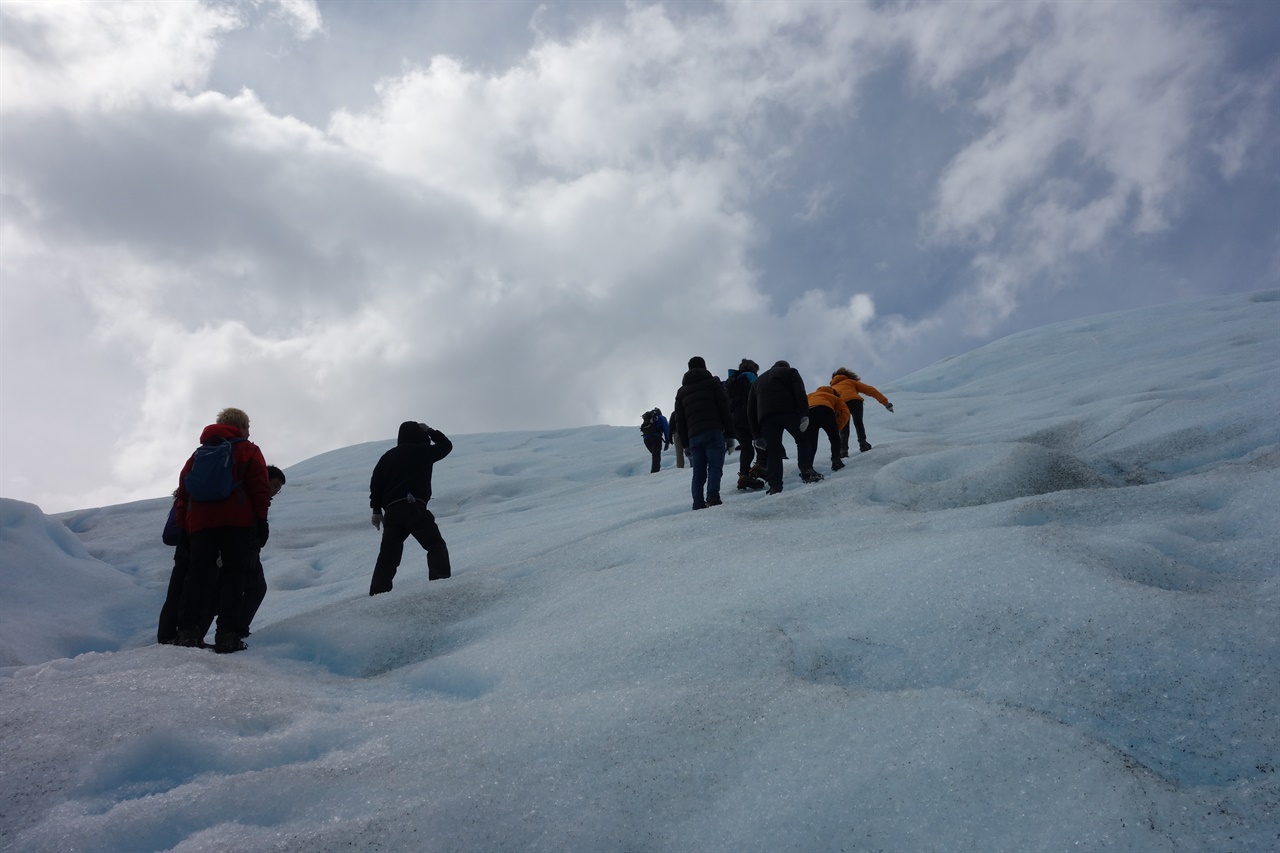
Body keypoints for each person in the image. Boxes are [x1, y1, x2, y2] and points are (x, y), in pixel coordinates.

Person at [173, 407, 271, 653]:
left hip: (200, 525)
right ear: (241, 426)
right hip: (236, 522)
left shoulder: (199, 454)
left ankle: (187, 632)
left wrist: (184, 526)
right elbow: (259, 488)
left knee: (197, 577)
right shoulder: (249, 450)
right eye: (247, 427)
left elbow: (183, 493)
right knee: (233, 577)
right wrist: (261, 520)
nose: (249, 432)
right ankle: (227, 636)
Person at [369, 421, 453, 595]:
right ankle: (440, 586)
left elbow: (376, 484)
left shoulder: (387, 457)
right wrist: (430, 431)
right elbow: (446, 446)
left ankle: (378, 594)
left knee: (388, 557)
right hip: (413, 506)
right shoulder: (420, 451)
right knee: (435, 545)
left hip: (391, 512)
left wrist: (376, 510)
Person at [674, 356, 735, 510]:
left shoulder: (681, 392)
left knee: (698, 472)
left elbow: (679, 421)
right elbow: (724, 408)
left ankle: (698, 503)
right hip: (713, 431)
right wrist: (730, 434)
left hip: (694, 436)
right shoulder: (713, 383)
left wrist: (686, 444)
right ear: (704, 367)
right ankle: (713, 497)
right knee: (715, 466)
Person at [747, 360, 811, 493]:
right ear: (785, 366)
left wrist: (756, 434)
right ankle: (807, 471)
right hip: (788, 411)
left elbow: (750, 409)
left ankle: (775, 486)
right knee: (803, 439)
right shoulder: (790, 371)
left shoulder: (758, 382)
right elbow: (799, 391)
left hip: (766, 418)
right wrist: (804, 413)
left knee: (773, 451)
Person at [831, 368, 894, 454]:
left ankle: (843, 449)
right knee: (858, 423)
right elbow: (870, 390)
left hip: (841, 404)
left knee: (844, 427)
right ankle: (863, 443)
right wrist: (885, 403)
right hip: (855, 401)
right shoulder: (851, 382)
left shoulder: (832, 387)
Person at [725, 359, 765, 491]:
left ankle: (744, 475)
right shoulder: (750, 376)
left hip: (735, 420)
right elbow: (756, 395)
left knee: (746, 447)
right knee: (761, 440)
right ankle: (761, 466)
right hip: (749, 415)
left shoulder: (729, 381)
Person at [800, 385, 850, 476]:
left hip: (809, 412)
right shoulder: (834, 397)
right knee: (834, 438)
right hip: (825, 409)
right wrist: (836, 427)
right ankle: (836, 461)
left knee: (812, 443)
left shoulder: (810, 395)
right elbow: (844, 412)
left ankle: (808, 467)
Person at [640, 407, 670, 473]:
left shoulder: (648, 419)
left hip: (646, 439)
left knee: (654, 455)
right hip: (656, 437)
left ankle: (655, 470)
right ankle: (655, 473)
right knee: (656, 455)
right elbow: (666, 429)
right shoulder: (661, 417)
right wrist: (667, 442)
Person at [668, 402, 686, 469]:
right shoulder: (686, 411)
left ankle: (680, 467)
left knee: (679, 452)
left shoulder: (674, 413)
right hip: (686, 433)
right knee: (690, 449)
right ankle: (693, 464)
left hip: (677, 434)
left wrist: (669, 436)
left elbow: (671, 425)